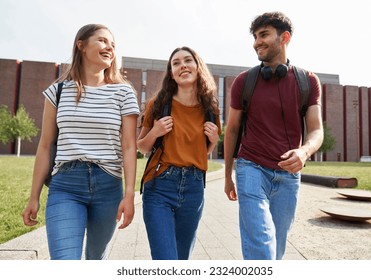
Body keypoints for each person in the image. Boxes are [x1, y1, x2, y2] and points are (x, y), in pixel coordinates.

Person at [22, 24, 140, 260]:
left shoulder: (123, 93)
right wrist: (33, 196)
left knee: (96, 259)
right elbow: (45, 145)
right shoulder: (57, 92)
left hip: (109, 186)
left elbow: (129, 146)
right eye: (103, 41)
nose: (110, 48)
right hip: (66, 185)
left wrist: (129, 194)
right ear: (82, 46)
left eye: (113, 45)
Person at [224, 12, 324, 260]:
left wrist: (304, 151)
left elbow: (316, 129)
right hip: (251, 169)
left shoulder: (308, 81)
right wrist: (227, 175)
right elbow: (233, 129)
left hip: (289, 176)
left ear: (284, 37)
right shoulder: (243, 82)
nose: (257, 41)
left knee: (277, 249)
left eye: (264, 34)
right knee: (262, 244)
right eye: (255, 36)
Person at [137, 46, 221, 260]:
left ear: (197, 66)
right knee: (166, 259)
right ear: (172, 72)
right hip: (159, 186)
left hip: (194, 188)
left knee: (182, 260)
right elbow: (143, 147)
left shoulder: (211, 108)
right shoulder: (158, 104)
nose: (182, 65)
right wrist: (156, 131)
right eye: (176, 63)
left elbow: (203, 152)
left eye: (187, 60)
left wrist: (213, 141)